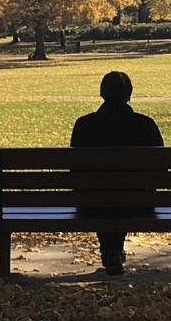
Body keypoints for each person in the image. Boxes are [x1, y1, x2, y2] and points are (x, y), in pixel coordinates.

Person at [70, 70, 163, 276]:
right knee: (123, 196)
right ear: (129, 95)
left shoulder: (84, 125)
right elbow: (161, 169)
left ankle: (110, 251)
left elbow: (75, 169)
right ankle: (113, 251)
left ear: (102, 94)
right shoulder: (144, 125)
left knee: (103, 195)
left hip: (91, 204)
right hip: (139, 204)